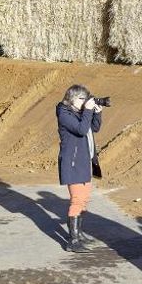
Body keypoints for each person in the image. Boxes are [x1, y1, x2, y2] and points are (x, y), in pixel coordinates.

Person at [56, 84, 102, 253]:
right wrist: (88, 111)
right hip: (73, 163)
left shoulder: (79, 113)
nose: (85, 102)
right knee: (77, 200)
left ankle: (79, 235)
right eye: (82, 99)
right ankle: (72, 241)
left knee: (84, 199)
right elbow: (81, 130)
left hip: (84, 162)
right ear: (72, 98)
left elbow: (94, 128)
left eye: (86, 99)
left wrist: (97, 112)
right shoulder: (64, 114)